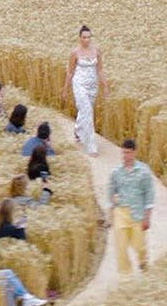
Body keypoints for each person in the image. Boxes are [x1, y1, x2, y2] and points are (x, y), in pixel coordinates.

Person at [107, 139, 155, 275]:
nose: (125, 156)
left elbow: (149, 195)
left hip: (137, 214)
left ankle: (143, 262)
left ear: (134, 153)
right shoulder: (116, 172)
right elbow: (111, 193)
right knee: (121, 248)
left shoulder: (144, 172)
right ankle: (125, 276)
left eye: (128, 153)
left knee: (139, 246)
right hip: (121, 213)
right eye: (123, 153)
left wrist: (147, 217)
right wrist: (110, 215)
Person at [62, 25, 108, 156]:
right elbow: (70, 72)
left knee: (85, 110)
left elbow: (100, 70)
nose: (87, 40)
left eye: (89, 37)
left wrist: (105, 86)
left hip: (92, 85)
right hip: (79, 84)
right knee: (87, 112)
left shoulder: (97, 51)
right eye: (84, 37)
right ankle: (91, 146)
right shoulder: (75, 53)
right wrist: (65, 88)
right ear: (79, 38)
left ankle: (77, 130)